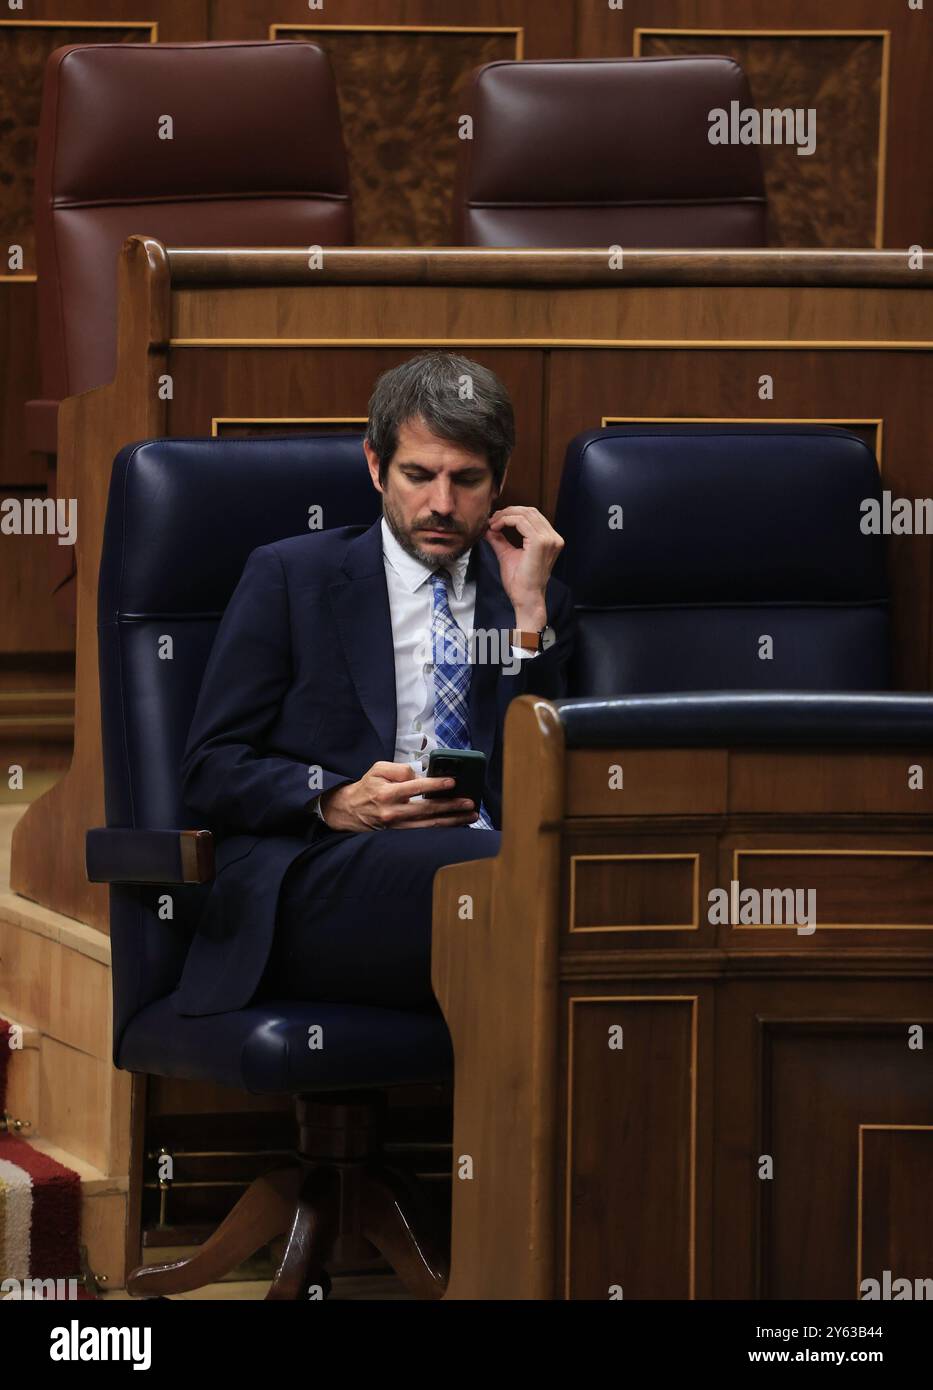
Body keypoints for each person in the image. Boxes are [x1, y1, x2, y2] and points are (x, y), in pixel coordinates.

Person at [174, 352, 575, 1017]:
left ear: (499, 479)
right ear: (373, 465)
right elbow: (210, 768)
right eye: (417, 475)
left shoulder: (535, 601)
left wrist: (528, 618)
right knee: (521, 876)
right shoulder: (290, 577)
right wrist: (332, 798)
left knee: (544, 873)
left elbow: (547, 781)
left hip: (489, 864)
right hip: (327, 872)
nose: (440, 504)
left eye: (467, 480)